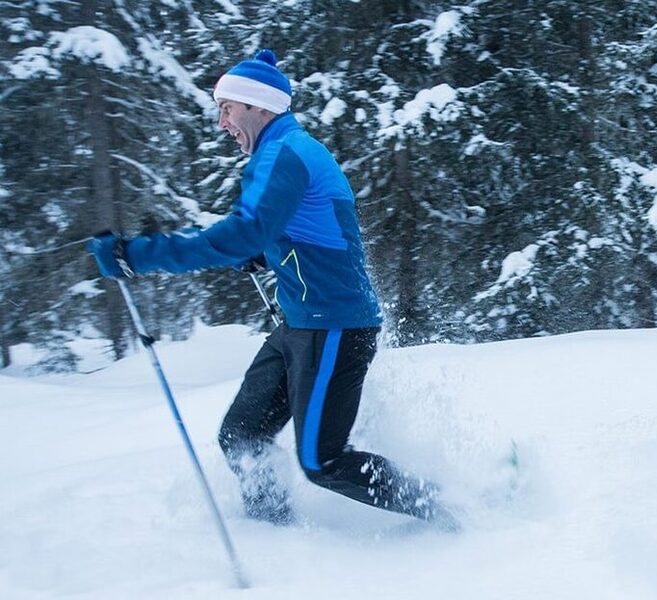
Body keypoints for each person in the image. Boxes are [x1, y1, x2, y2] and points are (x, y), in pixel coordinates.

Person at [88, 50, 456, 529]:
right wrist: (264, 253)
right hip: (302, 323)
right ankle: (273, 531)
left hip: (335, 326)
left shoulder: (287, 153)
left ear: (259, 106)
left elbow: (246, 230)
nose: (222, 123)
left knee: (321, 461)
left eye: (228, 109)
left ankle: (445, 505)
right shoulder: (283, 150)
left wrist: (137, 256)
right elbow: (313, 232)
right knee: (241, 433)